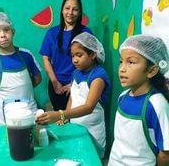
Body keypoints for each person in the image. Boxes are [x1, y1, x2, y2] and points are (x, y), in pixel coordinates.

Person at [37, 32, 111, 158]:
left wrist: (60, 114)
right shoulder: (76, 73)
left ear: (93, 54)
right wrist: (64, 117)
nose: (75, 60)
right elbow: (73, 97)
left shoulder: (98, 76)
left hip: (93, 131)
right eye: (72, 56)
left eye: (79, 55)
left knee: (90, 157)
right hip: (76, 125)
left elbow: (89, 107)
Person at [108, 34, 169, 166]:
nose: (122, 69)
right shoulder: (123, 97)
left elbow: (165, 154)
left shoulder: (156, 104)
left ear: (151, 71)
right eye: (121, 61)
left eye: (130, 62)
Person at [0, 11, 42, 125]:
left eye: (6, 29)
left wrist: (25, 92)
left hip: (29, 108)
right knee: (9, 140)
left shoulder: (27, 55)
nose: (3, 35)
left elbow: (38, 78)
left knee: (33, 138)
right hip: (6, 113)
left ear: (13, 31)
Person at [39, 0, 92, 111]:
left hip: (79, 84)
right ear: (62, 10)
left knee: (74, 121)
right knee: (60, 121)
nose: (70, 12)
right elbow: (46, 58)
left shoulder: (86, 33)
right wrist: (55, 82)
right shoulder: (52, 33)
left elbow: (91, 61)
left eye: (75, 9)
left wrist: (73, 84)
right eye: (67, 8)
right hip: (56, 86)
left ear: (79, 13)